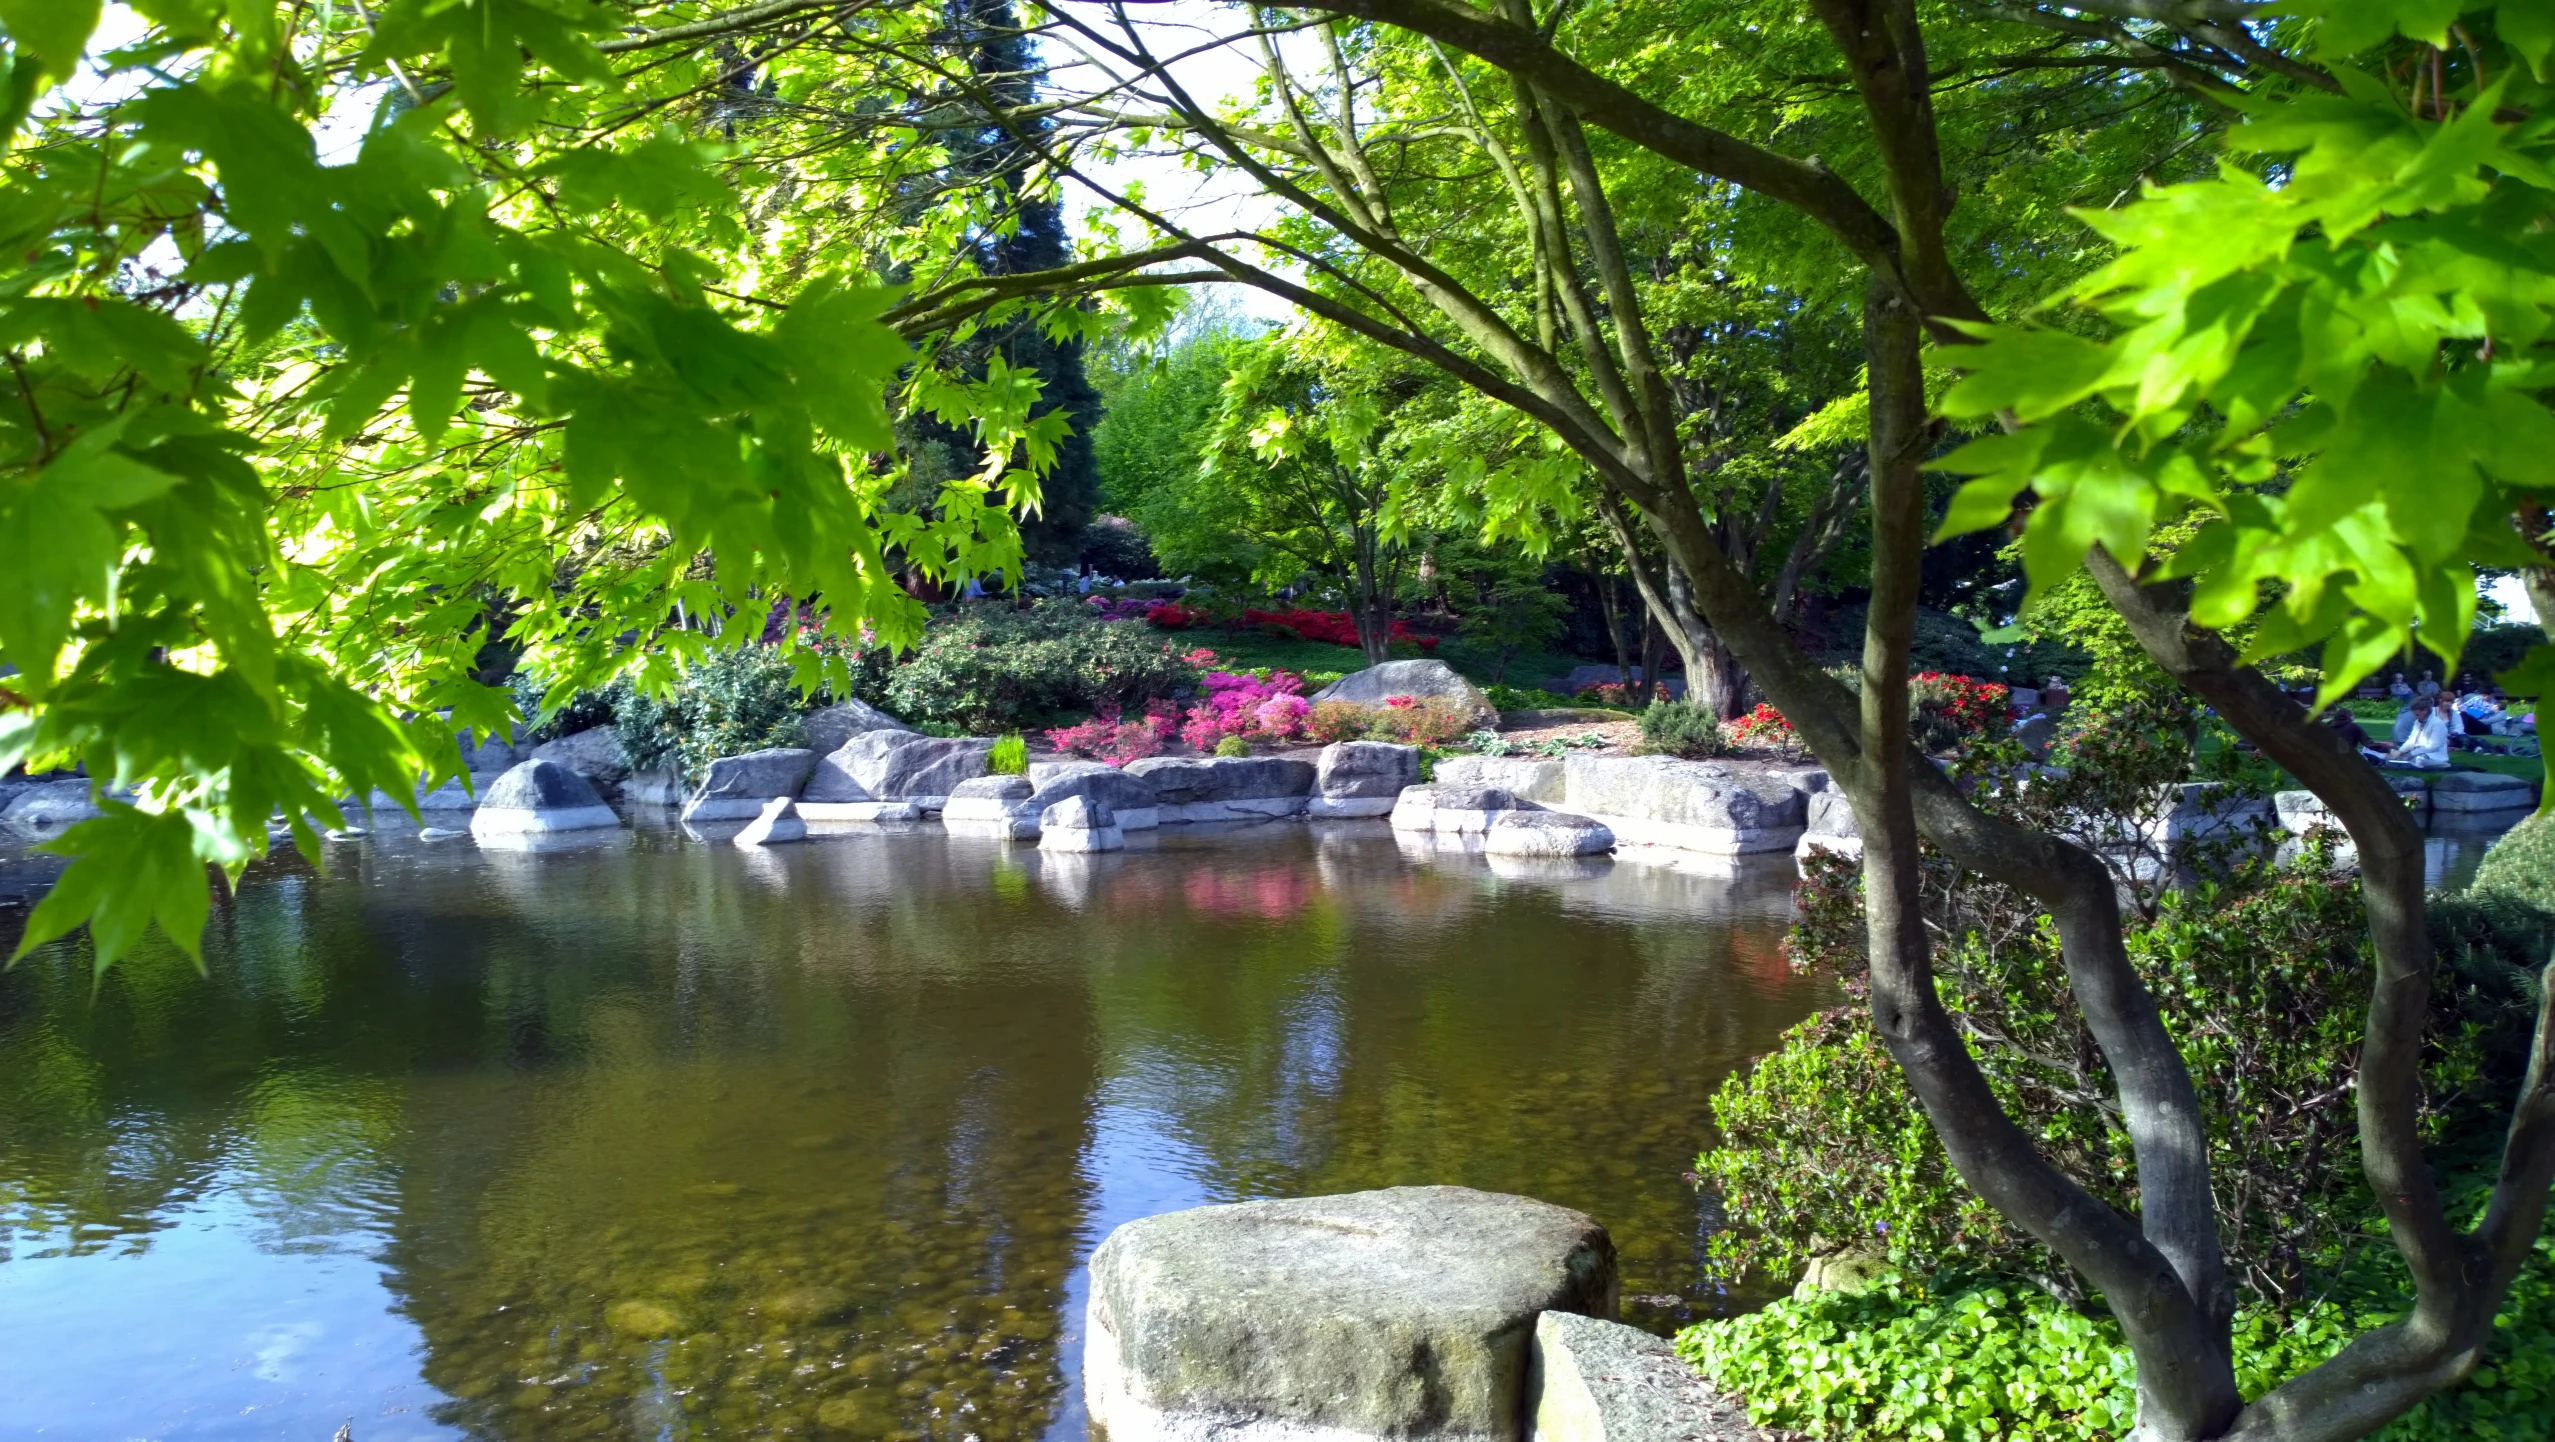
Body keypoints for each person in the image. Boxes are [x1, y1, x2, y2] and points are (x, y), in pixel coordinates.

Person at [2380, 695, 2451, 768]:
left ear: (2426, 710)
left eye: (2420, 710)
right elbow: (2411, 740)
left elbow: (2434, 746)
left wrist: (2412, 754)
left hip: (2433, 754)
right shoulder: (2417, 722)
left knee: (2418, 759)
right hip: (2418, 752)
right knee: (2398, 757)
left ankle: (2441, 765)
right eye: (2414, 709)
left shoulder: (2437, 723)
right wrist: (2400, 751)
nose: (2417, 712)